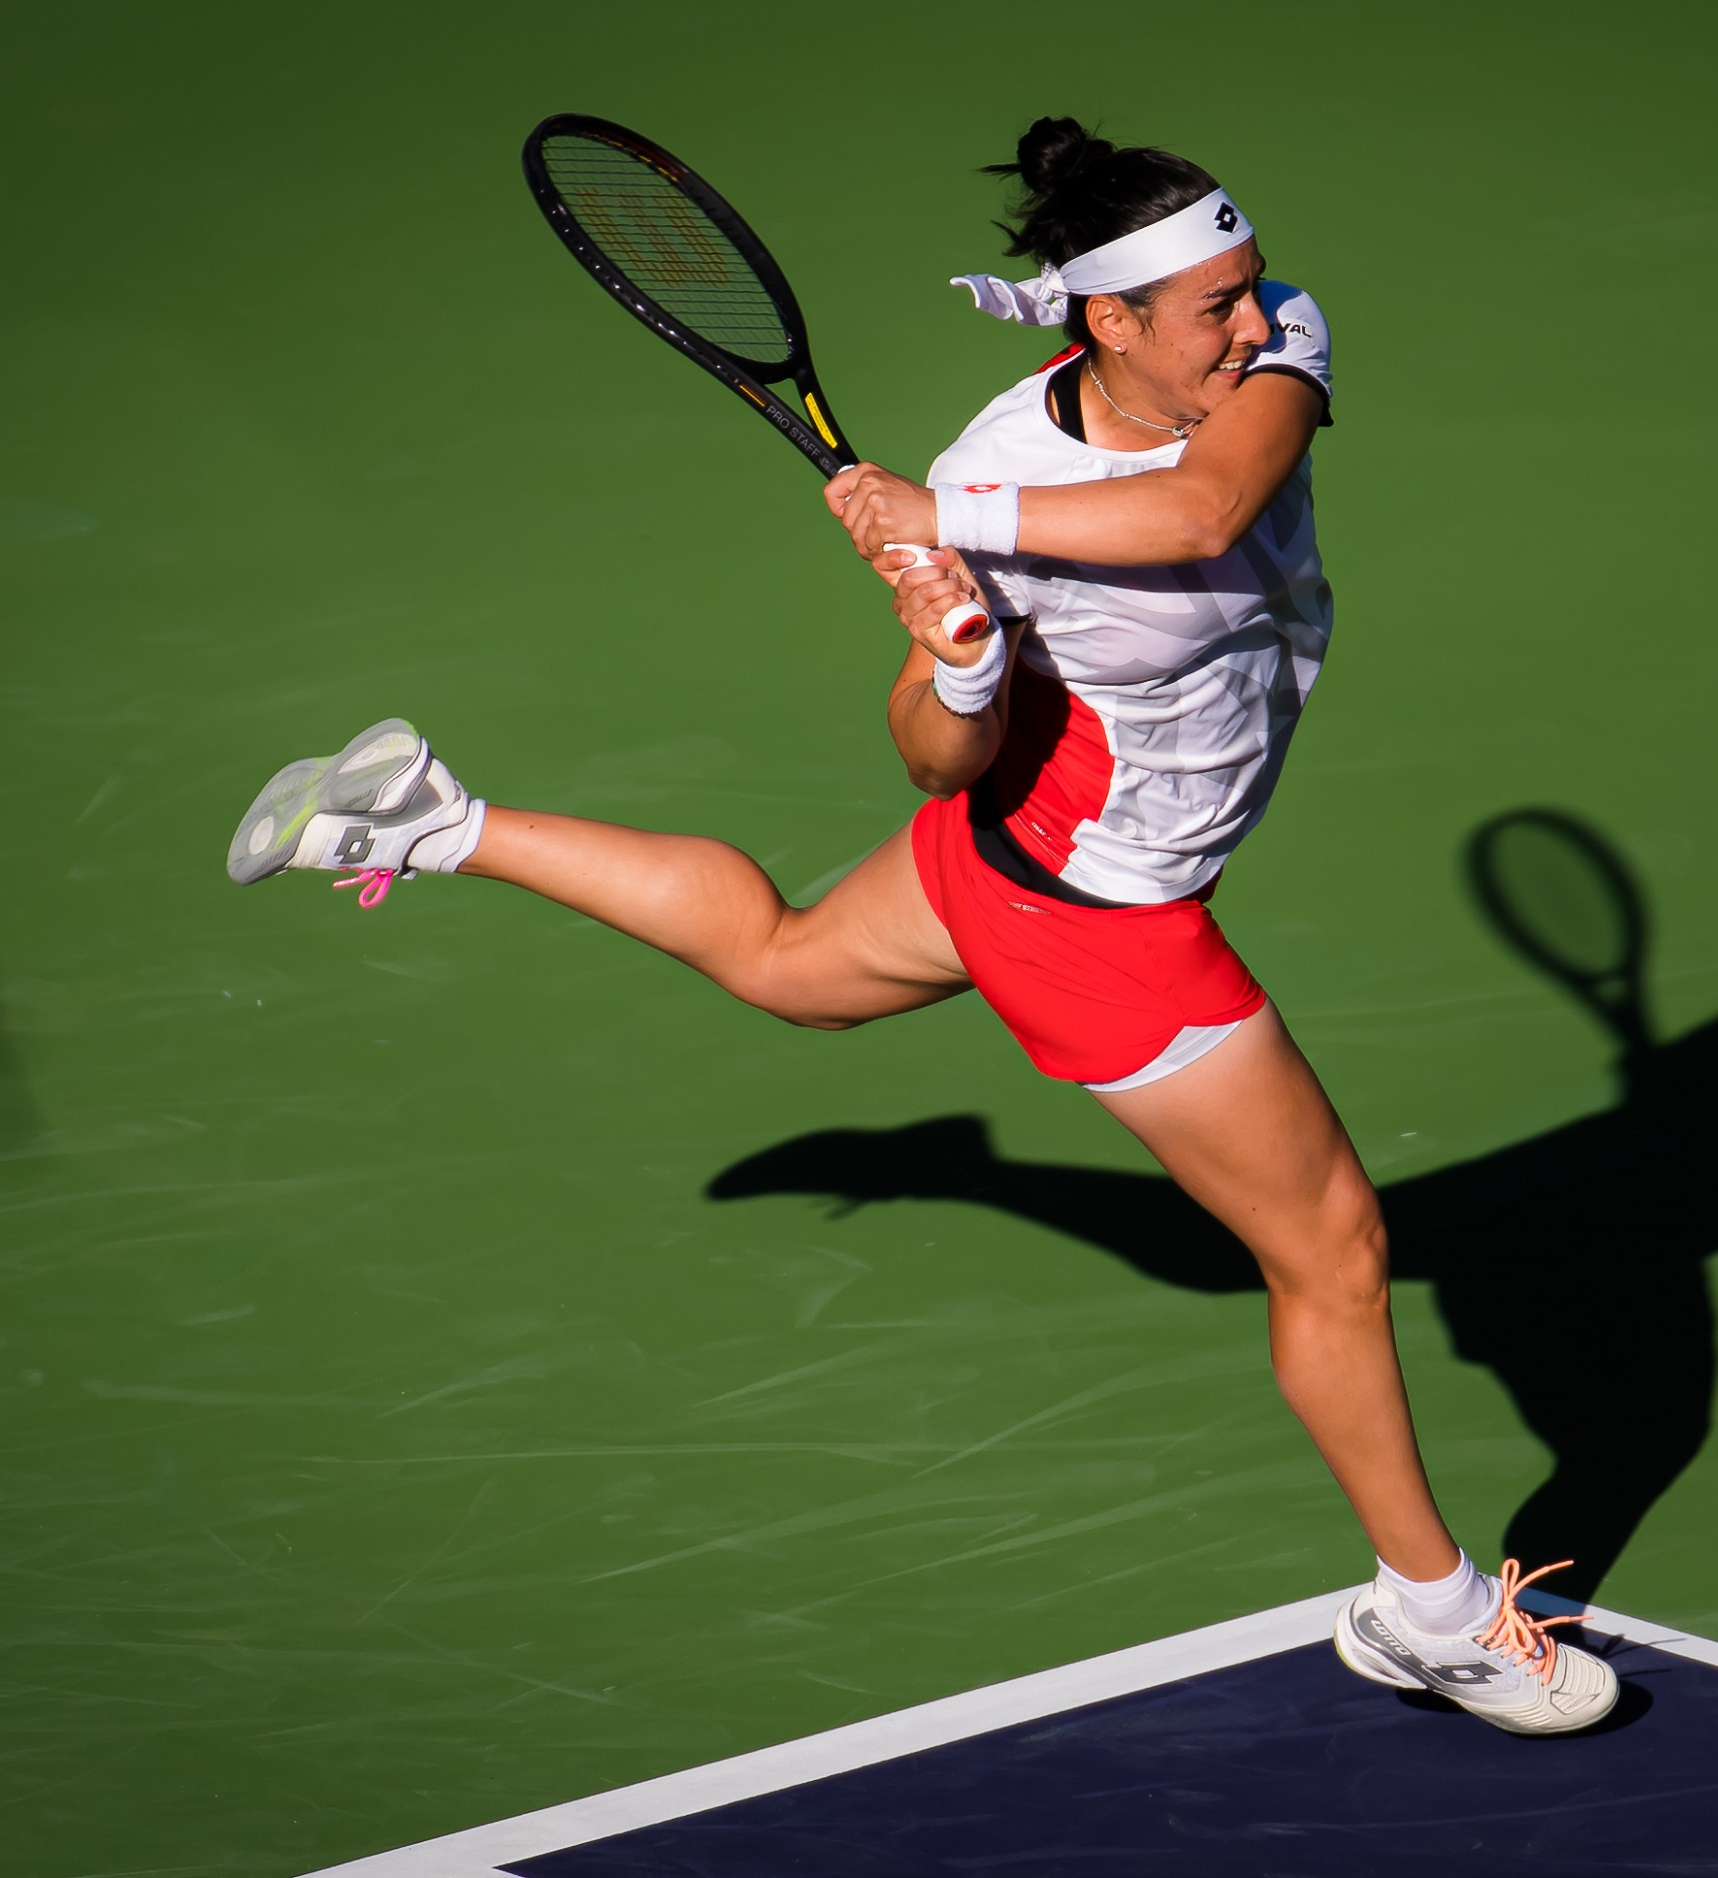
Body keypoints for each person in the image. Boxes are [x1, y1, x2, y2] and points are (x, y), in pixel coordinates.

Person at [221, 118, 1614, 1736]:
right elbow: (933, 755)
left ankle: (425, 817)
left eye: (1249, 288)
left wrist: (956, 522)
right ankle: (1429, 1614)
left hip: (1008, 855)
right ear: (1108, 320)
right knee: (1335, 1254)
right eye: (1212, 307)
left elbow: (1202, 513)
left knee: (787, 967)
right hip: (1096, 912)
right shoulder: (991, 479)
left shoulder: (1239, 365)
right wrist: (960, 658)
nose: (1254, 321)